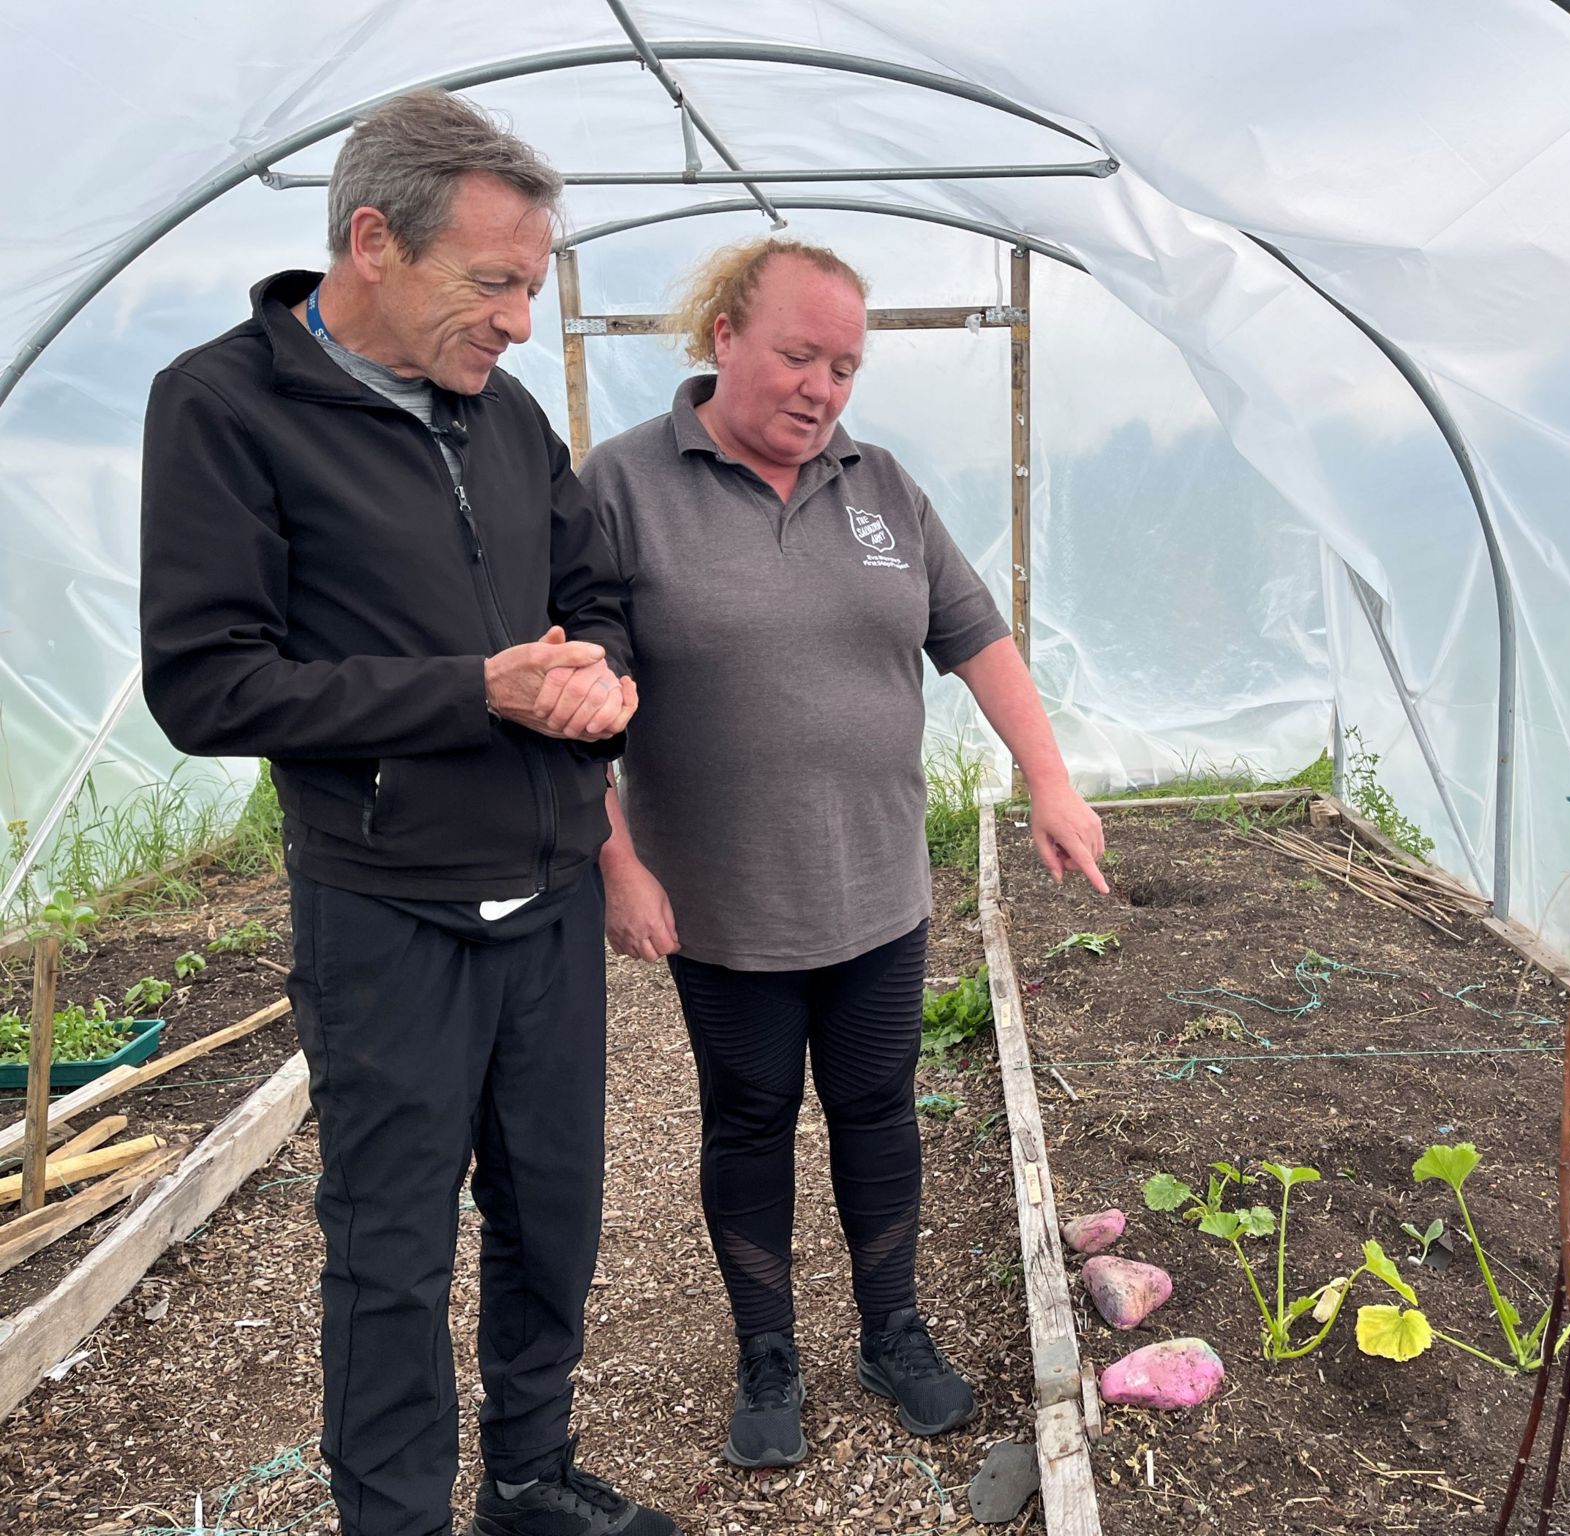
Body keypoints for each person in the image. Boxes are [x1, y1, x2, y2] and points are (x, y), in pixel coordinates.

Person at [138, 91, 674, 1536]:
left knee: (551, 1210)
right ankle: (394, 1518)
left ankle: (529, 1477)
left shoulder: (499, 419)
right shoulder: (225, 406)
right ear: (372, 240)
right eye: (492, 282)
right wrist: (477, 693)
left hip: (550, 890)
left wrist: (603, 677)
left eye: (530, 289)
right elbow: (207, 686)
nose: (514, 320)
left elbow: (595, 587)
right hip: (388, 908)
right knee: (388, 1249)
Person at [579, 237, 1108, 1470]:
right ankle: (768, 1347)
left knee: (877, 1111)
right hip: (723, 904)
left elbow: (976, 637)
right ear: (723, 340)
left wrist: (1049, 780)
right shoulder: (619, 488)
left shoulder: (880, 487)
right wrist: (616, 863)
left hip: (878, 891)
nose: (822, 389)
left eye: (846, 367)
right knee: (750, 1119)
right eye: (798, 355)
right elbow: (574, 694)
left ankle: (891, 1329)